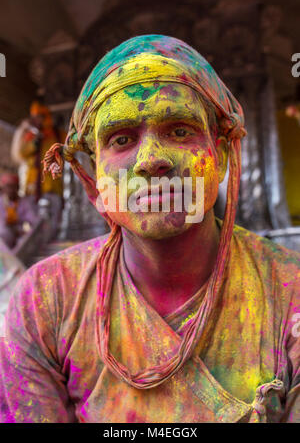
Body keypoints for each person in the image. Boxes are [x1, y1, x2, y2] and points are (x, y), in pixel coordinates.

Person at [0, 35, 299, 423]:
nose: (151, 160)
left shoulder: (290, 290)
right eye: (121, 139)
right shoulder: (43, 301)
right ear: (93, 178)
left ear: (221, 154)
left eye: (179, 131)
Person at [11, 101, 65, 239]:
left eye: (40, 116)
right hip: (32, 190)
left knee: (53, 226)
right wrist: (26, 131)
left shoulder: (57, 135)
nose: (37, 120)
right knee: (34, 226)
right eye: (34, 117)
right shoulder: (30, 136)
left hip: (54, 188)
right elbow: (19, 154)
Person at [0, 172, 38, 252]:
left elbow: (34, 221)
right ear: (3, 188)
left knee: (24, 241)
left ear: (18, 188)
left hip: (19, 233)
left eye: (14, 187)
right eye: (8, 186)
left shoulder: (24, 202)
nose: (11, 190)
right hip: (4, 234)